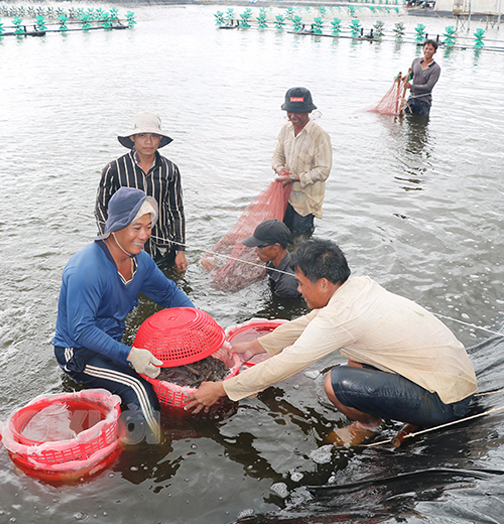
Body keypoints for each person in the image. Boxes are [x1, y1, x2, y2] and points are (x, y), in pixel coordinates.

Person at [185, 239, 477, 446]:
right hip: (457, 380)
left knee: (335, 381)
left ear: (324, 283)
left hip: (447, 402)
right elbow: (311, 322)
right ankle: (400, 413)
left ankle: (369, 425)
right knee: (355, 360)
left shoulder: (341, 317)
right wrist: (257, 346)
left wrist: (222, 389)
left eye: (302, 284)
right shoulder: (358, 288)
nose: (298, 290)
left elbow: (289, 363)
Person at [55, 187, 194, 442]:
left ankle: (131, 433)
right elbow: (81, 330)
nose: (144, 236)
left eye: (149, 227)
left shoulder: (140, 261)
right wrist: (130, 354)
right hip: (77, 351)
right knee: (137, 387)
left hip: (113, 341)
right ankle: (150, 450)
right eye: (136, 227)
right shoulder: (86, 270)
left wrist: (201, 326)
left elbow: (170, 294)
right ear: (116, 226)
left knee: (165, 369)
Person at [95, 112, 187, 271]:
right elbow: (101, 209)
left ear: (160, 139)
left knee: (166, 290)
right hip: (125, 249)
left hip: (163, 250)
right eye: (142, 135)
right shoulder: (114, 169)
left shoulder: (170, 170)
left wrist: (180, 250)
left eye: (154, 136)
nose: (148, 141)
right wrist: (111, 242)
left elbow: (176, 210)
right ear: (133, 138)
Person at [272, 87, 332, 237]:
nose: (292, 116)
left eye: (298, 111)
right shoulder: (286, 130)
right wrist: (280, 169)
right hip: (285, 197)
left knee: (301, 242)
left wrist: (293, 178)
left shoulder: (319, 136)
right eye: (289, 111)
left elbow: (323, 170)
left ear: (309, 111)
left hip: (306, 202)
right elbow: (277, 156)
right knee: (282, 238)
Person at [241, 219, 300, 299]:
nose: (256, 251)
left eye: (260, 246)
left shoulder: (287, 284)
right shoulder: (272, 263)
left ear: (276, 247)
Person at [405, 39, 440, 116]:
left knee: (420, 125)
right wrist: (402, 79)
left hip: (423, 102)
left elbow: (428, 87)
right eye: (426, 48)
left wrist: (411, 86)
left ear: (434, 52)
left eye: (430, 49)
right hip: (411, 98)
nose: (427, 51)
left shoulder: (436, 68)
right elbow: (411, 75)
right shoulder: (416, 61)